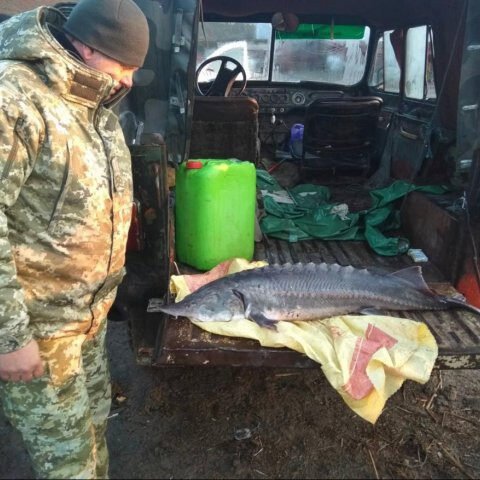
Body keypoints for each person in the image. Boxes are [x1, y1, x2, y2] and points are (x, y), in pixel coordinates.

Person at [0, 0, 149, 477]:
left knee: (93, 432)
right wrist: (9, 338)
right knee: (69, 466)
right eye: (124, 64)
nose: (129, 80)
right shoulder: (14, 98)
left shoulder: (93, 101)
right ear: (87, 46)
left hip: (88, 319)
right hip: (41, 331)